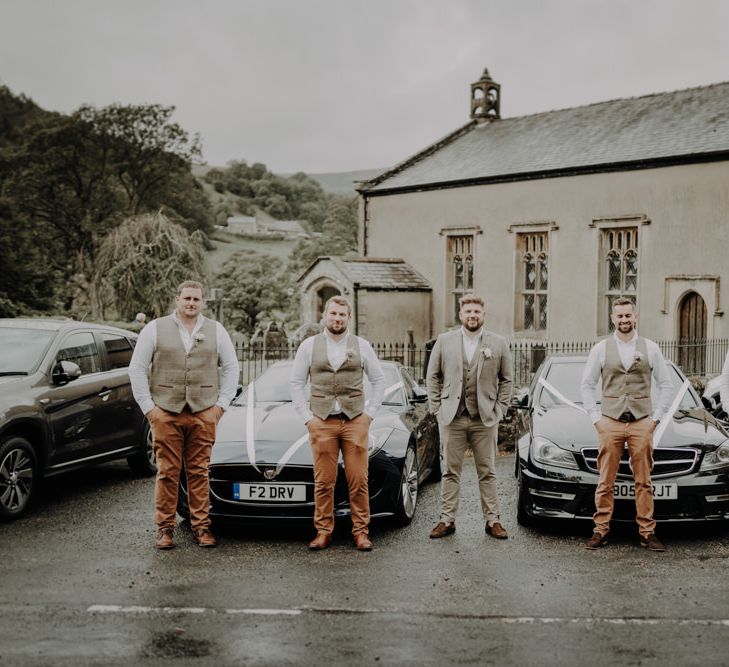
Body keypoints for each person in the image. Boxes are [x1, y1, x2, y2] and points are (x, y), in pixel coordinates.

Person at [129, 280, 239, 550]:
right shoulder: (154, 328)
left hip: (204, 412)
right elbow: (137, 368)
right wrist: (150, 410)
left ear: (202, 302)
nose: (191, 303)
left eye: (196, 299)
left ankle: (201, 526)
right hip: (166, 411)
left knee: (200, 472)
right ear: (177, 299)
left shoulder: (216, 330)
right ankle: (164, 528)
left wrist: (221, 406)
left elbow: (232, 367)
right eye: (187, 298)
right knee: (167, 472)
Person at [289, 295, 385, 551]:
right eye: (333, 314)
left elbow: (379, 380)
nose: (337, 318)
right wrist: (307, 418)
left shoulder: (362, 345)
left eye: (342, 315)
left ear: (349, 318)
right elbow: (296, 383)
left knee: (358, 480)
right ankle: (323, 531)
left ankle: (361, 532)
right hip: (321, 420)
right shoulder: (309, 346)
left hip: (355, 420)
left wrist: (370, 414)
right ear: (324, 315)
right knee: (323, 481)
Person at [580, 297, 673, 552]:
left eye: (628, 316)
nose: (624, 320)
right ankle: (600, 530)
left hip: (642, 422)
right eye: (619, 316)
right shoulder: (600, 348)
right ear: (612, 318)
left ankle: (647, 532)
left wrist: (656, 419)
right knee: (605, 480)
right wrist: (595, 419)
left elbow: (666, 384)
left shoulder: (650, 347)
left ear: (635, 317)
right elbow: (586, 385)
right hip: (609, 421)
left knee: (643, 481)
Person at [426, 294, 512, 540]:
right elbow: (432, 376)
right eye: (468, 311)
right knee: (450, 471)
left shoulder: (498, 342)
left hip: (484, 418)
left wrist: (500, 409)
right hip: (452, 417)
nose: (472, 315)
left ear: (483, 315)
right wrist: (437, 408)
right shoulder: (444, 341)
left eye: (477, 311)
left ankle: (493, 520)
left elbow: (507, 379)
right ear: (460, 315)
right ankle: (447, 519)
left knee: (488, 470)